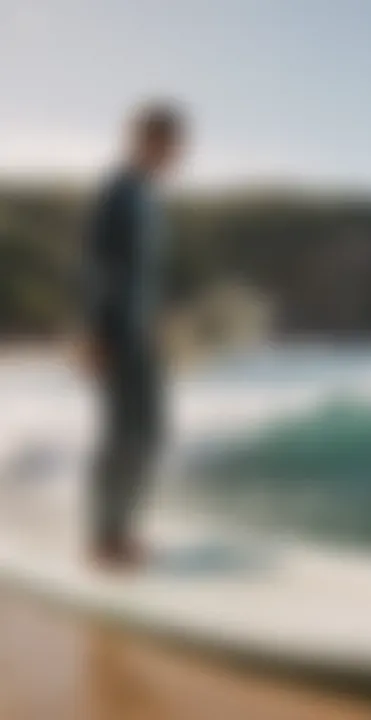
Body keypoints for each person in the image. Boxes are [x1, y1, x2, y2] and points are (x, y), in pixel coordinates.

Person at [82, 102, 187, 570]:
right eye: (167, 144)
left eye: (177, 146)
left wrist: (159, 325)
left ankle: (121, 529)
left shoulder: (147, 197)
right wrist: (95, 333)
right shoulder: (118, 192)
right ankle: (105, 538)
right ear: (143, 140)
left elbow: (146, 275)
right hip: (117, 332)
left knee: (150, 431)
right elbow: (97, 268)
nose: (175, 155)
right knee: (122, 435)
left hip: (142, 334)